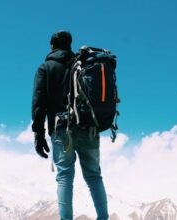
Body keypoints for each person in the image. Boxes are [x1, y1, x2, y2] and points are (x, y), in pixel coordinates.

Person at [31, 31, 109, 220]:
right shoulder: (83, 65)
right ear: (69, 45)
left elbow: (38, 104)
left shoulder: (46, 68)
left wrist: (39, 134)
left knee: (65, 177)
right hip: (88, 127)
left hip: (61, 128)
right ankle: (103, 217)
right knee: (94, 176)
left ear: (52, 46)